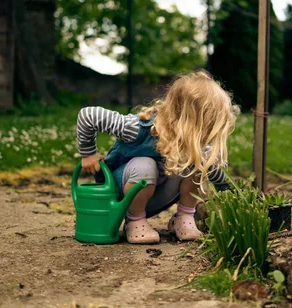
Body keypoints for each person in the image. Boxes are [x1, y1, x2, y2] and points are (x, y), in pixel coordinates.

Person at [77, 70, 237, 244]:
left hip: (159, 194)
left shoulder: (196, 145)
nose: (207, 135)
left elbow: (222, 181)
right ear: (185, 119)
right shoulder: (137, 128)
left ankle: (184, 218)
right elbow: (88, 115)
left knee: (199, 161)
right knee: (145, 165)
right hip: (123, 196)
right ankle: (135, 220)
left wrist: (231, 200)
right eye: (205, 127)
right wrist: (88, 153)